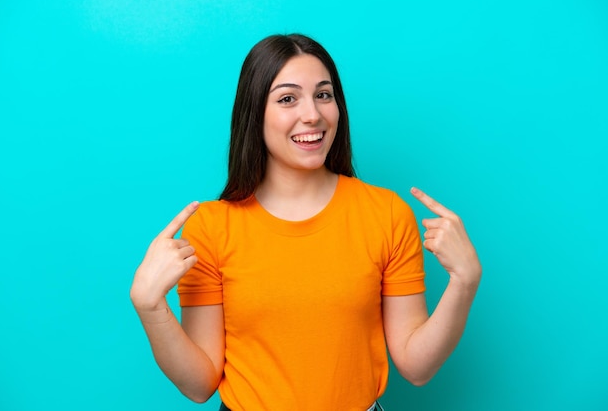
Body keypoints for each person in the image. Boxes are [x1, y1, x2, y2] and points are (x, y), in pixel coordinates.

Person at [130, 33, 481, 411]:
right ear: (254, 113)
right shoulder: (213, 227)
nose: (312, 114)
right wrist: (150, 307)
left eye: (324, 95)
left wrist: (464, 282)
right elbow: (200, 385)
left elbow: (417, 367)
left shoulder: (387, 214)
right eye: (287, 99)